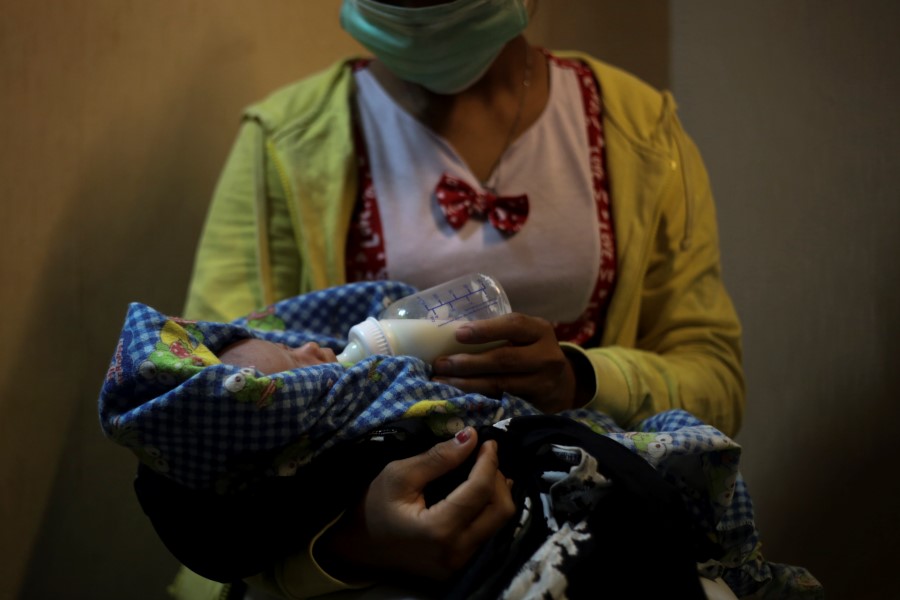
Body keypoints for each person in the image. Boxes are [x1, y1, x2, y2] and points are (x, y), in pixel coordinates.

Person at [168, 0, 748, 597]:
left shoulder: (639, 128)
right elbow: (205, 432)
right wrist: (345, 545)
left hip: (597, 512)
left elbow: (715, 381)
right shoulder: (285, 143)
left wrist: (582, 376)